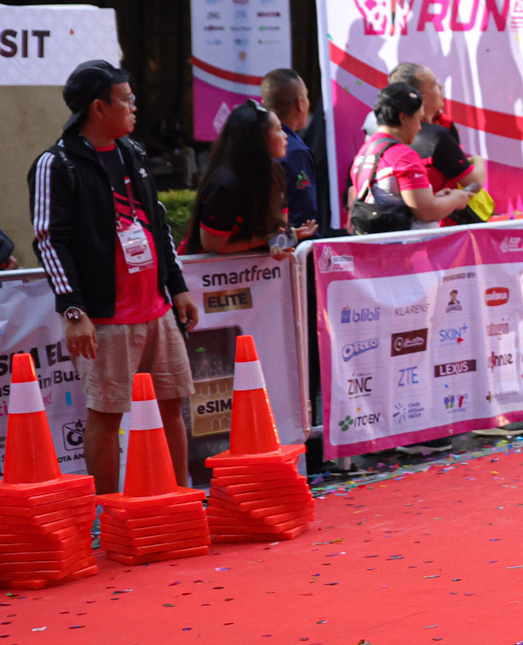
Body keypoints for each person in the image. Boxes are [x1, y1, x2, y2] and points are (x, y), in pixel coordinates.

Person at [32, 60, 199, 493]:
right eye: (126, 99)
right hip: (106, 317)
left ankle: (179, 497)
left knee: (172, 405)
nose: (134, 107)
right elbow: (50, 242)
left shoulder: (132, 152)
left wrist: (177, 287)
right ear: (98, 108)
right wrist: (74, 311)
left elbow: (157, 224)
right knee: (106, 417)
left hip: (156, 309)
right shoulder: (57, 163)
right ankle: (107, 511)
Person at [349, 82, 475, 231]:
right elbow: (427, 213)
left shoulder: (366, 150)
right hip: (409, 243)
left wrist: (434, 198)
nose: (420, 127)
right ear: (403, 117)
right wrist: (456, 199)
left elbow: (391, 200)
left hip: (378, 241)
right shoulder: (402, 155)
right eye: (418, 119)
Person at [182, 102, 291, 255]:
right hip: (212, 269)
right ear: (260, 138)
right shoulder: (225, 185)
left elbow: (280, 232)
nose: (285, 135)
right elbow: (213, 245)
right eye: (279, 129)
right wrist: (266, 240)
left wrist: (285, 242)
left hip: (260, 268)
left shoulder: (276, 171)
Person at [392, 62, 486, 224]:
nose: (441, 87)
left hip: (417, 221)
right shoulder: (435, 136)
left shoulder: (379, 130)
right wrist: (478, 159)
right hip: (433, 226)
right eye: (435, 84)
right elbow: (474, 182)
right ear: (422, 99)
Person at [262, 67, 320, 235]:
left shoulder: (252, 141)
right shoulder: (294, 152)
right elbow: (304, 221)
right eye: (306, 97)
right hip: (285, 247)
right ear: (300, 104)